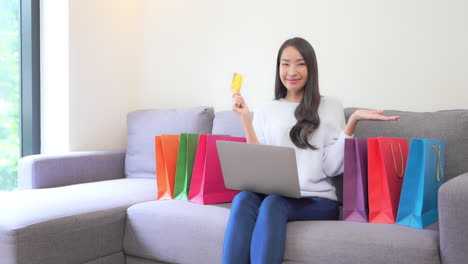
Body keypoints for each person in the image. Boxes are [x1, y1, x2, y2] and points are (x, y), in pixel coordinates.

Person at [222, 37, 399, 264]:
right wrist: (246, 119)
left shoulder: (329, 105)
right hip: (275, 193)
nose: (291, 71)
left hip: (317, 199)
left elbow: (331, 167)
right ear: (278, 68)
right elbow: (258, 162)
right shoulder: (266, 108)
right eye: (285, 63)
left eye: (300, 63)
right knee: (243, 199)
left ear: (311, 68)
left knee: (273, 204)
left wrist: (351, 123)